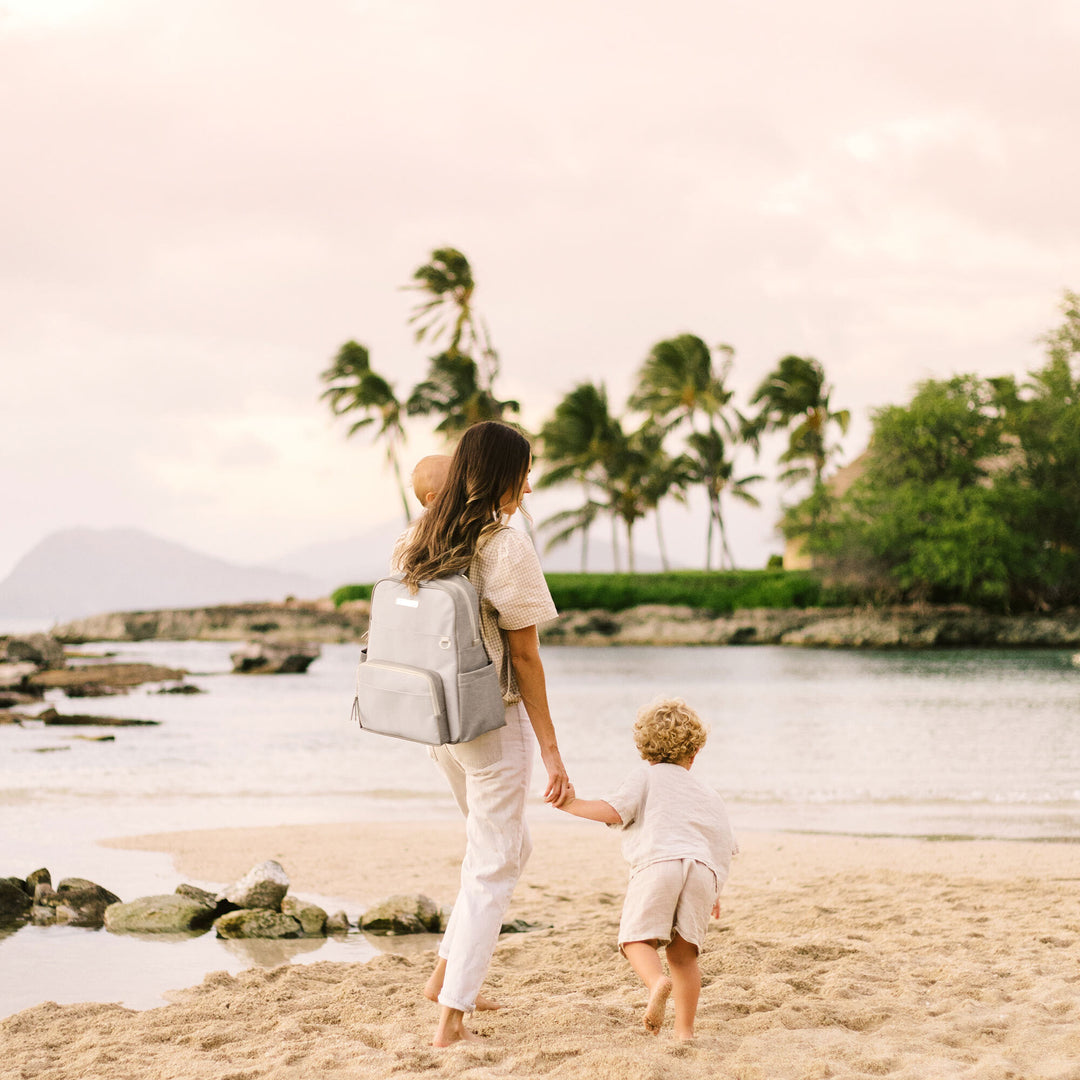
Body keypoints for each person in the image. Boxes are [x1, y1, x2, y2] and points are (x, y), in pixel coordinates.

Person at [393, 420, 574, 1047]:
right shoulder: (504, 544)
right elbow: (525, 657)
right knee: (496, 864)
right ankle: (451, 1018)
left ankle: (445, 974)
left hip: (438, 719)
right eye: (525, 470)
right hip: (491, 719)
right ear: (503, 474)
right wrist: (551, 748)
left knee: (504, 848)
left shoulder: (418, 538)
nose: (530, 482)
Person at [556, 698, 736, 1041]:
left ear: (644, 750)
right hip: (702, 871)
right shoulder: (710, 795)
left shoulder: (646, 776)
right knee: (684, 957)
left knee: (635, 939)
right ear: (694, 752)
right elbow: (722, 845)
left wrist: (571, 804)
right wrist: (715, 891)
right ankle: (684, 1033)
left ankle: (656, 982)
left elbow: (614, 811)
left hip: (659, 863)